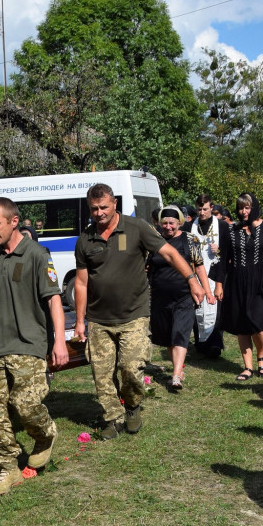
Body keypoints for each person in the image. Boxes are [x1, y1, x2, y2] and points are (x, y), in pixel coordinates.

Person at [73, 183, 204, 437]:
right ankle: (112, 418)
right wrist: (80, 321)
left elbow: (169, 254)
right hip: (99, 319)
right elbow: (80, 282)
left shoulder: (137, 228)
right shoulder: (85, 239)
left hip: (133, 315)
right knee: (102, 375)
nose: (99, 213)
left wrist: (191, 279)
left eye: (103, 207)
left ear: (114, 205)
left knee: (131, 369)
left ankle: (132, 406)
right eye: (94, 209)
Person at [0, 197, 68, 495]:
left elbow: (54, 299)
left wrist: (59, 341)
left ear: (14, 221)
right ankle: (8, 468)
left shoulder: (37, 254)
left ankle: (45, 434)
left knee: (26, 405)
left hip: (29, 343)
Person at [211, 194, 263, 381]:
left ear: (254, 207)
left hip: (261, 282)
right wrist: (219, 285)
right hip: (237, 282)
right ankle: (248, 366)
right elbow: (221, 258)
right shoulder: (231, 230)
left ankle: (261, 356)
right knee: (242, 324)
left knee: (259, 322)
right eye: (240, 208)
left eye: (247, 208)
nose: (243, 212)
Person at [150, 206, 214, 390]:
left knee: (180, 331)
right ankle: (177, 369)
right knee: (169, 334)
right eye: (164, 223)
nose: (168, 227)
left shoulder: (189, 239)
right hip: (160, 296)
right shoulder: (156, 241)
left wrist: (207, 291)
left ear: (179, 223)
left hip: (184, 294)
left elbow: (200, 266)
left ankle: (177, 374)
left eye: (172, 223)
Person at [185, 194, 229, 358]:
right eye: (199, 209)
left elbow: (227, 254)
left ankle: (215, 345)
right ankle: (200, 344)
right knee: (198, 307)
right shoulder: (190, 226)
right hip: (195, 273)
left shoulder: (222, 226)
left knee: (214, 308)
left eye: (205, 209)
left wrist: (219, 250)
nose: (202, 212)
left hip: (215, 273)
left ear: (211, 208)